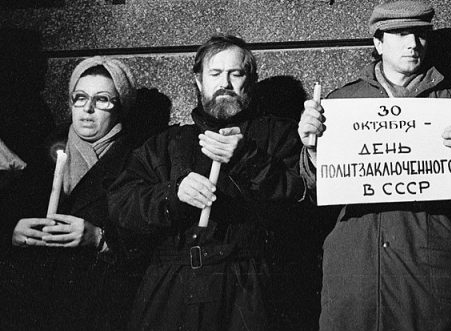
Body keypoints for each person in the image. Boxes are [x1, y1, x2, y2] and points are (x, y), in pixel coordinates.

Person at [298, 0, 451, 330]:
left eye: (419, 34)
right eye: (400, 34)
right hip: (356, 276)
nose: (413, 44)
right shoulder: (341, 103)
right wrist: (313, 151)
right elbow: (311, 192)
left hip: (427, 275)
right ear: (378, 42)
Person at [108, 35, 307, 330]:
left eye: (235, 73)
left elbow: (302, 202)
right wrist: (172, 195)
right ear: (199, 82)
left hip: (252, 289)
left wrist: (248, 159)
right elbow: (121, 205)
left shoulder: (279, 136)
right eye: (215, 74)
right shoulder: (167, 143)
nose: (225, 83)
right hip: (175, 287)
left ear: (249, 81)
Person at [0, 57, 145, 331]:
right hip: (31, 299)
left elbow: (148, 238)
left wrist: (100, 238)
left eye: (102, 99)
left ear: (121, 106)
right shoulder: (37, 150)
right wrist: (12, 231)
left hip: (94, 303)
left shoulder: (138, 159)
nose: (88, 109)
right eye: (79, 98)